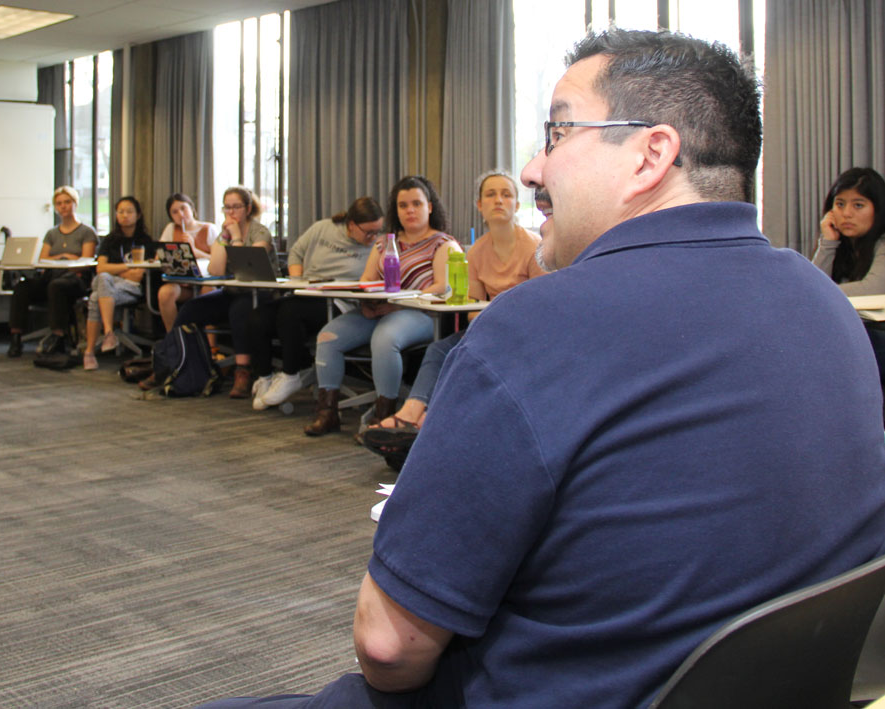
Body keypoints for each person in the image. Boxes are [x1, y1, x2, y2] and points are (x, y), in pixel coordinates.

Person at [200, 30, 885, 709]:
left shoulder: (535, 328)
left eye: (556, 134)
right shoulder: (822, 303)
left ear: (651, 153)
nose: (531, 168)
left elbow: (389, 648)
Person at [361, 177, 547, 462]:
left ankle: (421, 423)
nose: (498, 200)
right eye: (491, 194)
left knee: (465, 353)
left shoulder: (534, 248)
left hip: (525, 334)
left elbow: (541, 309)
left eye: (506, 194)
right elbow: (472, 309)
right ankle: (413, 414)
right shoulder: (476, 252)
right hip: (488, 327)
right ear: (479, 205)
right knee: (441, 349)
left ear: (517, 204)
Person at [304, 175, 461, 436]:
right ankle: (328, 412)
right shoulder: (385, 243)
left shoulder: (444, 244)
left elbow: (441, 287)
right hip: (377, 312)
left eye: (416, 204)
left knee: (384, 337)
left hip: (419, 314)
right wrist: (369, 302)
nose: (409, 210)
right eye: (402, 205)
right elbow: (367, 280)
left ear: (429, 207)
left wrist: (397, 303)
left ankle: (384, 416)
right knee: (328, 337)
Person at [249, 197, 384, 409]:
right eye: (368, 232)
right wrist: (297, 281)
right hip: (307, 292)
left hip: (340, 302)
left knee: (290, 312)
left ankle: (291, 374)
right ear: (351, 225)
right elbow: (296, 254)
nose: (373, 237)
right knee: (258, 316)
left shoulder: (377, 247)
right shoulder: (322, 228)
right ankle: (265, 376)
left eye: (377, 231)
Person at [168, 186, 276, 397]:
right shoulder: (224, 233)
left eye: (236, 207)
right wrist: (226, 238)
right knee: (191, 310)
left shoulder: (260, 232)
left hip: (261, 292)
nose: (231, 213)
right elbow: (215, 270)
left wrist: (236, 237)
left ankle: (243, 371)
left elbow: (246, 269)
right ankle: (183, 365)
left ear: (247, 208)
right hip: (233, 291)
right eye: (227, 208)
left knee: (239, 310)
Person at [811, 167, 885, 390]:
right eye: (840, 204)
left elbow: (874, 288)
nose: (847, 214)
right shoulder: (842, 247)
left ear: (878, 210)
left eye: (858, 205)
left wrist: (820, 292)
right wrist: (828, 243)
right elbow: (812, 283)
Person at [5, 186, 97, 357]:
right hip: (51, 275)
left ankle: (59, 336)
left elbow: (85, 260)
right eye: (59, 203)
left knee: (57, 286)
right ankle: (15, 336)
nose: (63, 207)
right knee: (22, 287)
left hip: (75, 279)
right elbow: (43, 259)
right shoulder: (52, 233)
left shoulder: (86, 232)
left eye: (67, 202)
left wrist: (61, 258)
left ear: (75, 204)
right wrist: (66, 255)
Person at [82, 196, 156, 370]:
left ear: (138, 215)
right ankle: (109, 332)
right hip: (110, 283)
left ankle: (90, 352)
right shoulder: (110, 240)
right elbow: (101, 268)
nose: (124, 215)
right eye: (120, 211)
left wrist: (114, 269)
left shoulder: (145, 241)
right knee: (103, 278)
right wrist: (126, 269)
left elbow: (138, 276)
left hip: (131, 288)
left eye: (129, 211)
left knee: (94, 298)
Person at [155, 193, 221, 332]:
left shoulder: (209, 228)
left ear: (191, 208)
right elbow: (159, 256)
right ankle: (174, 338)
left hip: (205, 282)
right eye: (174, 212)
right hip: (183, 284)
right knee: (165, 293)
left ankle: (211, 346)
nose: (180, 214)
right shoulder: (171, 229)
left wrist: (194, 250)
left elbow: (217, 259)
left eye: (183, 208)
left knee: (208, 291)